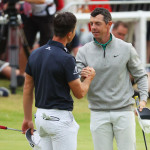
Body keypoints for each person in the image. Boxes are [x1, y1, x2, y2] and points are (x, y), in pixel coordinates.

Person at [76, 8, 148, 150]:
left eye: (97, 23)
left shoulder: (126, 48)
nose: (93, 27)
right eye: (91, 24)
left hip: (124, 112)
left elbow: (141, 75)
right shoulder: (83, 51)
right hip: (98, 112)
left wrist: (143, 100)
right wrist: (82, 76)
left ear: (109, 25)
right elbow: (75, 79)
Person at [21, 12, 95, 150]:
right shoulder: (67, 58)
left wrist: (27, 118)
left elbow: (27, 89)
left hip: (41, 118)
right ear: (70, 33)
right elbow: (79, 93)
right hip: (60, 120)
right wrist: (89, 78)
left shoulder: (35, 54)